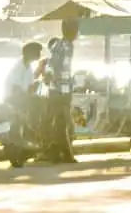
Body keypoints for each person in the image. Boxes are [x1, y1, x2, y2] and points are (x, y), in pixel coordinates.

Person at [45, 19, 79, 164]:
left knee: (60, 123)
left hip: (59, 89)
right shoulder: (65, 47)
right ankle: (66, 155)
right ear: (72, 31)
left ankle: (58, 153)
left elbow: (57, 67)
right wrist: (62, 85)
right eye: (76, 30)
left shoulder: (62, 45)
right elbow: (54, 66)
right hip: (60, 91)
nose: (78, 33)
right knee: (63, 123)